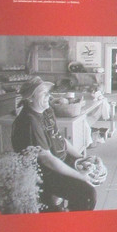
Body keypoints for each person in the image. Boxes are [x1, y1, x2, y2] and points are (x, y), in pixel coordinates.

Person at [11, 75, 97, 212]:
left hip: (59, 162)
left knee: (92, 169)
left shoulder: (46, 111)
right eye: (43, 93)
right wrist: (80, 176)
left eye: (48, 92)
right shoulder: (29, 121)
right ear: (30, 98)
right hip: (44, 173)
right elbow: (47, 160)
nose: (48, 96)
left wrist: (80, 158)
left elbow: (60, 139)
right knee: (87, 193)